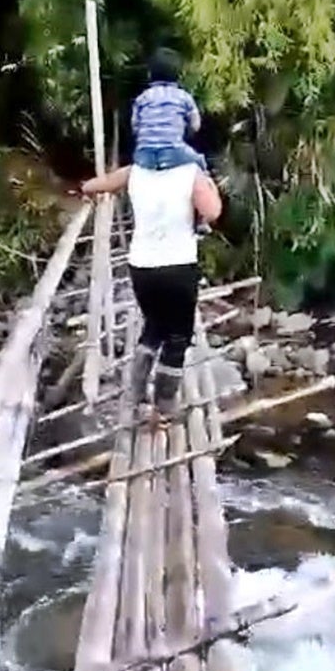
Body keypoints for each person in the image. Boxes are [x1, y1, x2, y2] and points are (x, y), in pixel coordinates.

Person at [80, 160, 222, 417]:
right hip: (178, 266)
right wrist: (209, 186)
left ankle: (135, 391)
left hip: (142, 267)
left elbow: (93, 186)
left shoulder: (135, 171)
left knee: (155, 325)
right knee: (178, 336)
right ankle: (165, 404)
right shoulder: (191, 172)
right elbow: (211, 212)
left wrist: (85, 192)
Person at [131, 47, 211, 236]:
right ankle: (201, 218)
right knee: (200, 163)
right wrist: (186, 133)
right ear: (178, 75)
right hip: (173, 150)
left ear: (150, 74)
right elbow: (196, 124)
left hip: (143, 155)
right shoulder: (184, 97)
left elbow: (135, 126)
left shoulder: (142, 98)